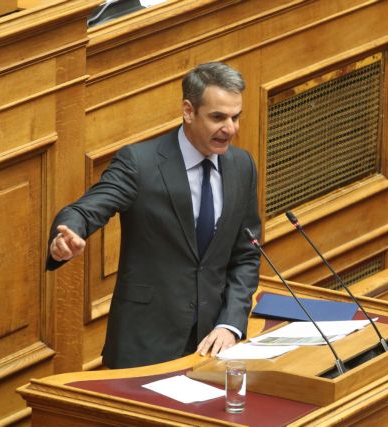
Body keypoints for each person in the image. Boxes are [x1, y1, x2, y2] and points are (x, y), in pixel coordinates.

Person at [47, 62, 261, 369]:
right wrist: (68, 234)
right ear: (188, 111)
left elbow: (246, 255)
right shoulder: (140, 163)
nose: (230, 128)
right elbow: (86, 208)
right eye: (218, 117)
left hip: (213, 345)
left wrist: (230, 323)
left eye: (235, 117)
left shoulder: (242, 166)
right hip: (145, 346)